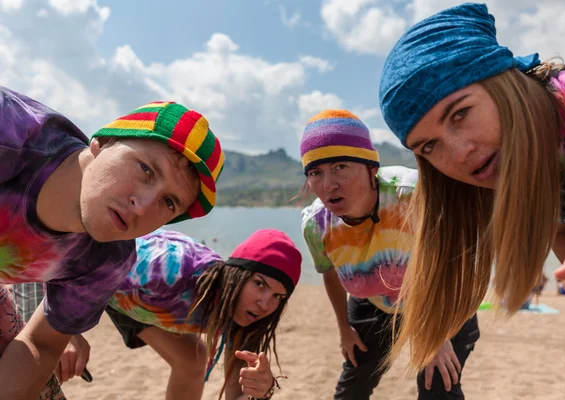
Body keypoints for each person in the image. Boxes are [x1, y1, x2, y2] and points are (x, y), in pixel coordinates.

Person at [378, 2, 565, 371]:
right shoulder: (507, 169)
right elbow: (564, 228)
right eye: (429, 146)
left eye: (460, 114)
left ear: (502, 82)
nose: (460, 153)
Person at [0, 88, 224, 398]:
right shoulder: (11, 131)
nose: (143, 206)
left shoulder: (107, 260)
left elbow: (43, 343)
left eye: (169, 202)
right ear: (103, 143)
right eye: (145, 169)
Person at [300, 109, 479, 399]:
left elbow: (459, 258)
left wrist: (439, 333)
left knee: (438, 386)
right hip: (375, 302)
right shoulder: (317, 225)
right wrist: (344, 329)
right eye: (315, 173)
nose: (328, 184)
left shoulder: (413, 194)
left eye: (341, 167)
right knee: (352, 388)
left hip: (444, 298)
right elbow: (329, 272)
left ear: (371, 168)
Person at [17, 228, 300, 400]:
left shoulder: (247, 316)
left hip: (136, 304)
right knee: (43, 362)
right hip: (61, 269)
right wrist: (69, 331)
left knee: (193, 358)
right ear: (236, 275)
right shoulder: (167, 270)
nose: (265, 304)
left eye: (277, 296)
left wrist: (258, 392)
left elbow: (236, 396)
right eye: (259, 284)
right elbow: (77, 253)